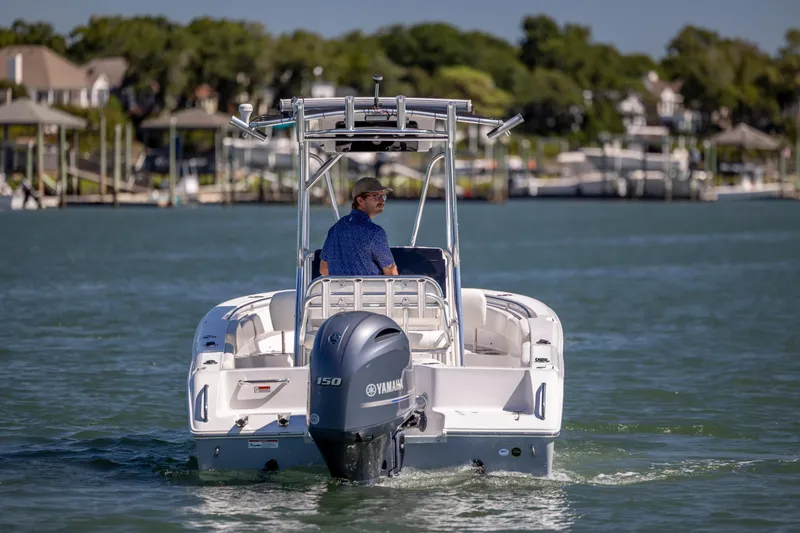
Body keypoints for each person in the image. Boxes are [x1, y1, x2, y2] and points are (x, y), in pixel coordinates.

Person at [319, 177, 399, 277]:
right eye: (377, 196)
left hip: (337, 291)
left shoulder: (335, 228)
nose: (382, 201)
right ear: (360, 200)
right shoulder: (375, 232)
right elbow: (391, 273)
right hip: (369, 291)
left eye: (383, 197)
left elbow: (324, 268)